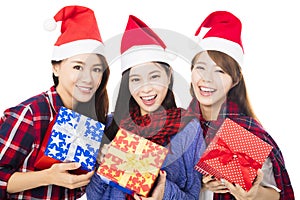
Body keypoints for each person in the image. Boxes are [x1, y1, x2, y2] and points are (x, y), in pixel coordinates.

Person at [86, 15, 206, 200]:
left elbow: (194, 195)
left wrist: (164, 192)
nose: (146, 88)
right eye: (136, 80)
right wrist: (103, 165)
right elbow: (93, 197)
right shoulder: (111, 125)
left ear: (168, 76)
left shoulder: (189, 129)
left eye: (154, 76)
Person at [0, 5, 110, 199]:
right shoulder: (31, 113)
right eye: (78, 66)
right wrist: (48, 176)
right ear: (56, 68)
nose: (88, 78)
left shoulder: (90, 120)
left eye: (96, 69)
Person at [187, 11, 295, 200]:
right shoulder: (177, 125)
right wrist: (199, 184)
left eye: (219, 71)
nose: (207, 78)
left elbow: (276, 195)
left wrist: (253, 195)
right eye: (201, 67)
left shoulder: (245, 132)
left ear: (234, 80)